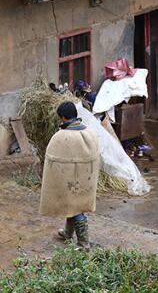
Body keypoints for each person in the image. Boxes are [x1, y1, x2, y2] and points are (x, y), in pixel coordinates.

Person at [39, 101, 100, 248]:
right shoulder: (90, 133)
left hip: (69, 181)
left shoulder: (61, 136)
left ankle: (83, 243)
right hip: (86, 180)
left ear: (63, 117)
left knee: (75, 207)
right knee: (73, 204)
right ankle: (67, 232)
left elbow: (52, 163)